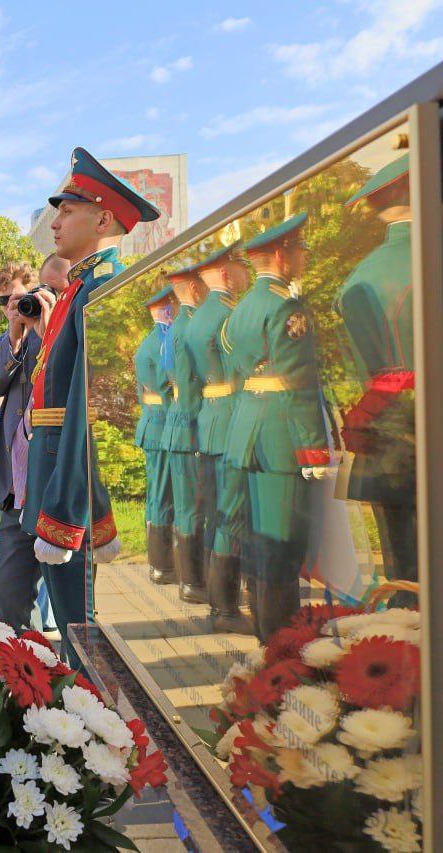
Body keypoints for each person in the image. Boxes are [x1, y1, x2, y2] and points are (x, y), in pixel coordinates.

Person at [23, 147, 159, 665]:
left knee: (79, 631)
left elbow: (86, 409)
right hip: (55, 465)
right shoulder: (80, 288)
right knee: (71, 624)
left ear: (103, 219)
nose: (55, 223)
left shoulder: (99, 291)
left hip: (67, 474)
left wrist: (65, 508)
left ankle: (91, 731)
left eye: (67, 211)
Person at [223, 213, 329, 640]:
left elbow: (234, 362)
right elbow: (299, 382)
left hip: (249, 430)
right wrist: (315, 450)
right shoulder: (287, 307)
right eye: (300, 249)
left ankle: (269, 634)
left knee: (261, 539)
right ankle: (282, 644)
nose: (304, 256)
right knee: (283, 545)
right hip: (282, 435)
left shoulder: (243, 306)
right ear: (283, 255)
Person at [337, 155, 416, 596]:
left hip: (382, 428)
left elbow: (357, 366)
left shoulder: (360, 274)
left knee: (402, 565)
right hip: (417, 424)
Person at [0, 259, 51, 628]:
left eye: (19, 298)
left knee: (63, 600)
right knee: (6, 591)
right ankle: (25, 664)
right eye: (3, 300)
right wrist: (13, 334)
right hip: (14, 489)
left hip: (50, 480)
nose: (12, 305)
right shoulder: (6, 342)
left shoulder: (52, 333)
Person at [186, 242, 255, 634]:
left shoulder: (197, 318)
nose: (247, 274)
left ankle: (219, 602)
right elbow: (246, 371)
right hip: (232, 419)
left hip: (210, 420)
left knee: (217, 513)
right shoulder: (230, 315)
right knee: (232, 515)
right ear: (227, 273)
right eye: (241, 267)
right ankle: (226, 610)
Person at [161, 268, 209, 603]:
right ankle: (193, 582)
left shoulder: (174, 328)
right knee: (193, 507)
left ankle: (188, 579)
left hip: (176, 423)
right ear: (192, 288)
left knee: (185, 505)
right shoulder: (188, 325)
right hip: (190, 424)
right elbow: (191, 382)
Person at [134, 285, 176, 586]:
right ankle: (161, 565)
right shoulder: (161, 343)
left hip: (153, 422)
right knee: (161, 496)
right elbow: (169, 383)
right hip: (162, 424)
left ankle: (160, 563)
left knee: (157, 495)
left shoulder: (152, 342)